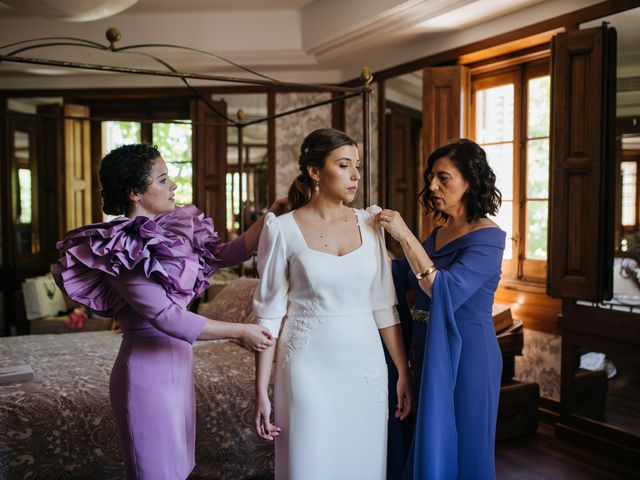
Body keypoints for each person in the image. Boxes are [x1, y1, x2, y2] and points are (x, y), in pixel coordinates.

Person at [53, 143, 284, 480]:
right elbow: (167, 317)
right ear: (135, 192)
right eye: (162, 180)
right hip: (146, 377)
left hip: (178, 371)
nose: (173, 185)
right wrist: (240, 330)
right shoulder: (121, 248)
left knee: (178, 469)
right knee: (155, 472)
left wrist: (268, 219)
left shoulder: (171, 232)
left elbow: (222, 255)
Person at [252, 128, 412, 480]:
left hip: (365, 366)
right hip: (306, 367)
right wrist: (261, 390)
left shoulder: (371, 223)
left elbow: (385, 306)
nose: (355, 175)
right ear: (314, 171)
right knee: (310, 462)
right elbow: (269, 315)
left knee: (362, 460)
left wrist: (402, 371)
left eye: (356, 165)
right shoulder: (280, 229)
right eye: (343, 165)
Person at [375, 138, 505, 479]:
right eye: (431, 176)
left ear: (470, 181)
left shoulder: (489, 238)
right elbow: (401, 275)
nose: (432, 185)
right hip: (427, 349)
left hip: (468, 355)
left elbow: (443, 288)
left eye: (443, 177)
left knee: (464, 446)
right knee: (428, 440)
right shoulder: (438, 234)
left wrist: (405, 236)